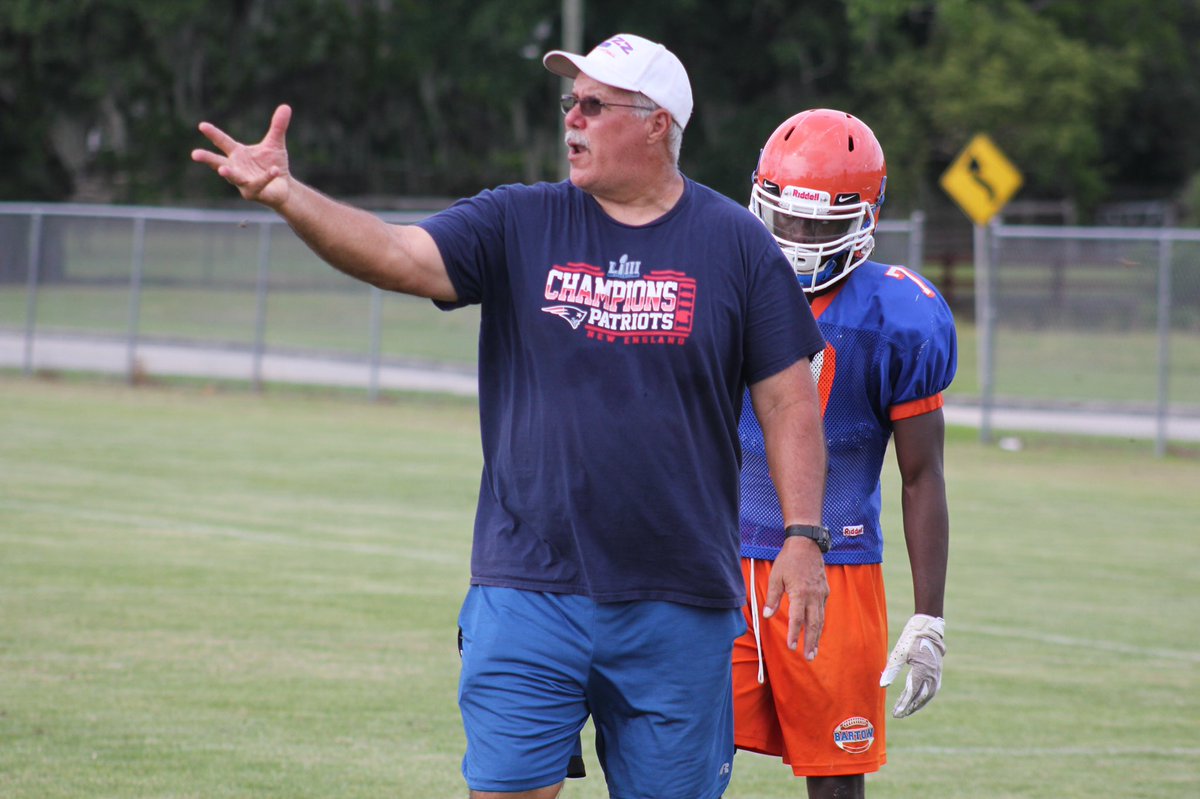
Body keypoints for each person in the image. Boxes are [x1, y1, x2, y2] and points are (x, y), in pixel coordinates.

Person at [192, 34, 830, 799]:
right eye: (570, 102)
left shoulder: (737, 244)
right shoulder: (518, 220)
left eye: (594, 105)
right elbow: (398, 253)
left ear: (657, 123)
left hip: (679, 598)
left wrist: (803, 535)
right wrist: (289, 196)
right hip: (529, 589)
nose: (572, 119)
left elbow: (789, 400)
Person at [732, 108, 957, 799]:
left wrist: (929, 614)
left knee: (835, 778)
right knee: (679, 761)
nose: (797, 241)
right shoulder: (724, 280)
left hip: (837, 565)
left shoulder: (899, 315)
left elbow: (921, 475)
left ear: (865, 220)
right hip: (715, 557)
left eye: (817, 226)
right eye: (786, 218)